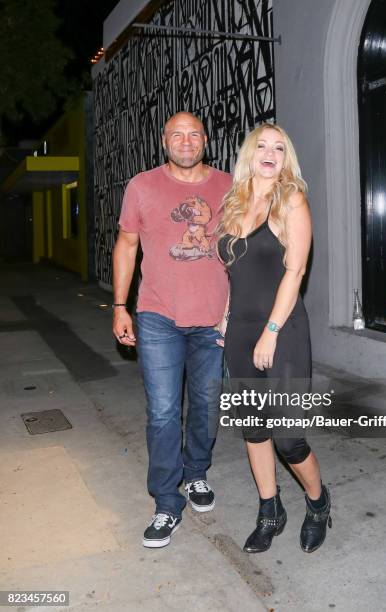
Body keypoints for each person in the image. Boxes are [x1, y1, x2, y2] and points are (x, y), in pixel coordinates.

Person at [112, 111, 232, 548]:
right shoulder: (142, 186)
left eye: (194, 134)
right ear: (164, 141)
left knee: (206, 404)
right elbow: (126, 246)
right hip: (158, 316)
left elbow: (243, 252)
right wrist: (120, 306)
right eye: (176, 135)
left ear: (206, 139)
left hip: (213, 320)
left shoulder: (227, 186)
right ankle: (166, 500)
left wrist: (235, 313)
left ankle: (196, 472)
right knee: (163, 412)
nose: (185, 141)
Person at [216, 124, 331, 554]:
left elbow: (295, 272)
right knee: (254, 429)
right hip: (240, 329)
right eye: (262, 145)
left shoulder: (291, 201)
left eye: (279, 147)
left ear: (287, 157)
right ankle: (270, 510)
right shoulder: (233, 203)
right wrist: (227, 318)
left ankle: (318, 503)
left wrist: (270, 332)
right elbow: (236, 273)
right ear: (250, 153)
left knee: (287, 435)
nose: (270, 153)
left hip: (282, 329)